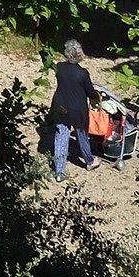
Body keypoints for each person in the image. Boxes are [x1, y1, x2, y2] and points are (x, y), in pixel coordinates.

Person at [49, 39, 104, 180]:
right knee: (82, 136)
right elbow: (90, 93)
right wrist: (96, 92)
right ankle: (90, 161)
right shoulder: (82, 73)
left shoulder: (59, 67)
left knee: (61, 137)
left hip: (60, 105)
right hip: (78, 109)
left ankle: (59, 172)